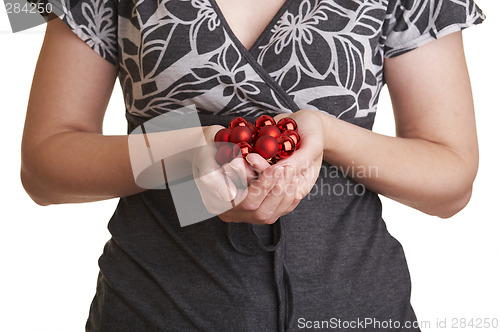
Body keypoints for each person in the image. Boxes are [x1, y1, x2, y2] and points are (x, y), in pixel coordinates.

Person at [21, 0, 484, 331]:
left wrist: (328, 133)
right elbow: (43, 166)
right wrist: (184, 153)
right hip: (154, 309)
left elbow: (451, 182)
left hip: (358, 307)